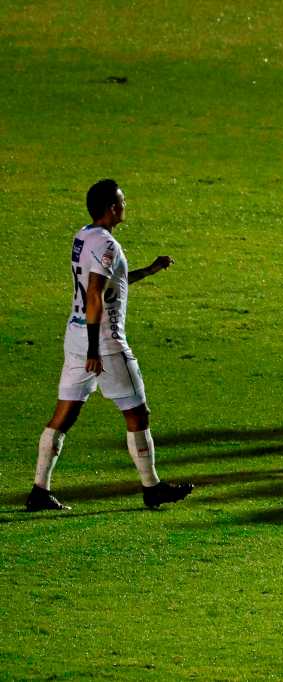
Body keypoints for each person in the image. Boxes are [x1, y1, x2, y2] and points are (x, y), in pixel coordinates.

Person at [26, 179, 193, 511]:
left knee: (64, 413)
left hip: (75, 333)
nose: (125, 205)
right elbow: (94, 294)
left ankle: (39, 490)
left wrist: (149, 270)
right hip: (103, 341)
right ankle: (152, 487)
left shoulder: (83, 236)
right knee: (137, 412)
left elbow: (110, 282)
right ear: (112, 208)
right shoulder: (108, 246)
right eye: (122, 201)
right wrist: (94, 350)